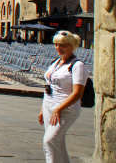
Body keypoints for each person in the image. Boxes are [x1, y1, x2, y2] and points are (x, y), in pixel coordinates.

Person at [38, 30, 89, 163]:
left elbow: (77, 93)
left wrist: (58, 109)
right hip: (49, 105)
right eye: (56, 45)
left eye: (63, 45)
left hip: (65, 108)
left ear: (72, 46)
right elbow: (49, 86)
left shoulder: (78, 66)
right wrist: (42, 109)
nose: (58, 48)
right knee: (57, 143)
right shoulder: (56, 62)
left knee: (50, 140)